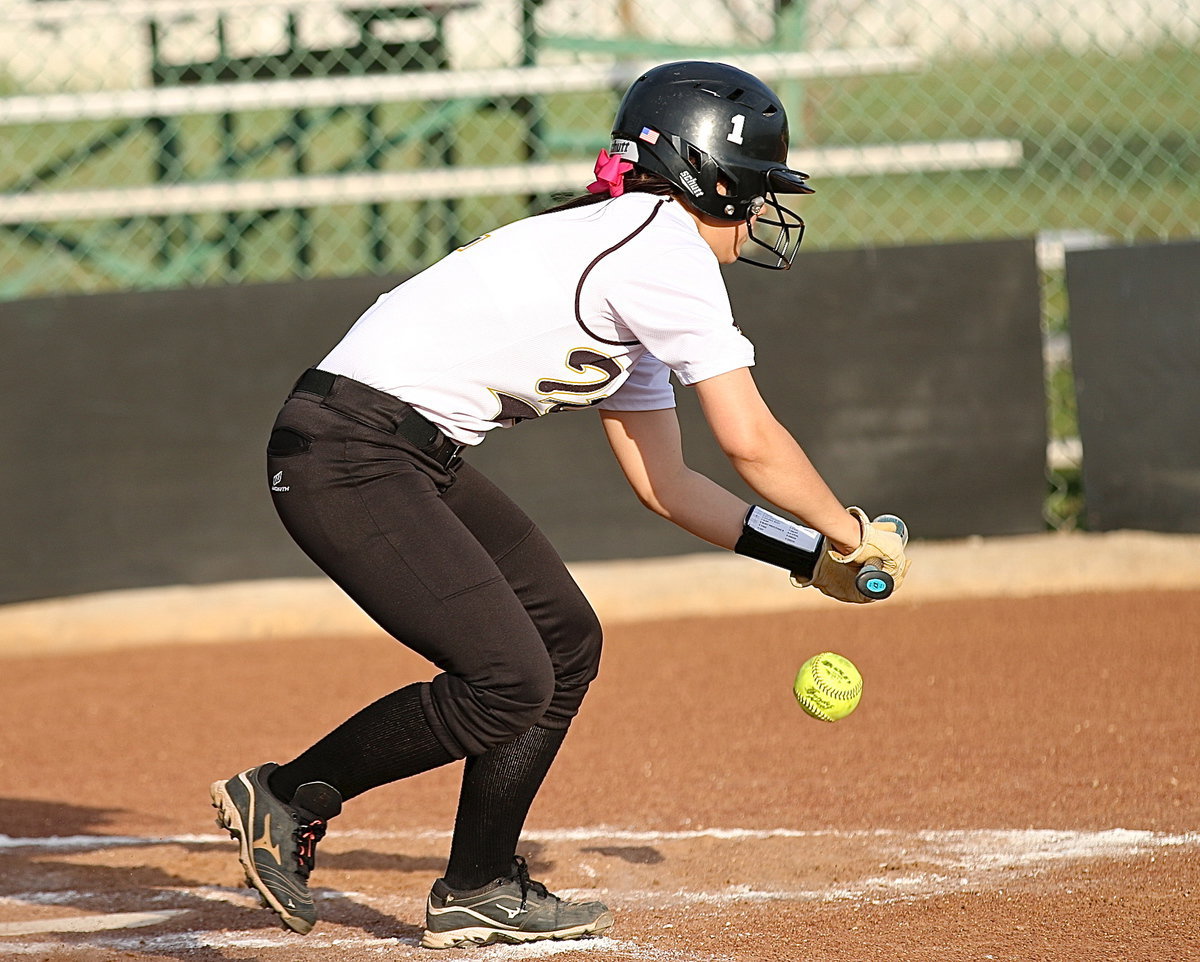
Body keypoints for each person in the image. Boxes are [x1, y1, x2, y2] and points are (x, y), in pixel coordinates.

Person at [209, 60, 911, 950]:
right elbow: (750, 441)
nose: (762, 207)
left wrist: (807, 559)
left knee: (564, 643)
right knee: (507, 680)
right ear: (710, 177)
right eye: (756, 184)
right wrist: (849, 531)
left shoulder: (636, 248)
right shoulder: (664, 249)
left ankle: (477, 886)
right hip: (350, 453)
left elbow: (666, 484)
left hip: (402, 451)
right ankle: (286, 795)